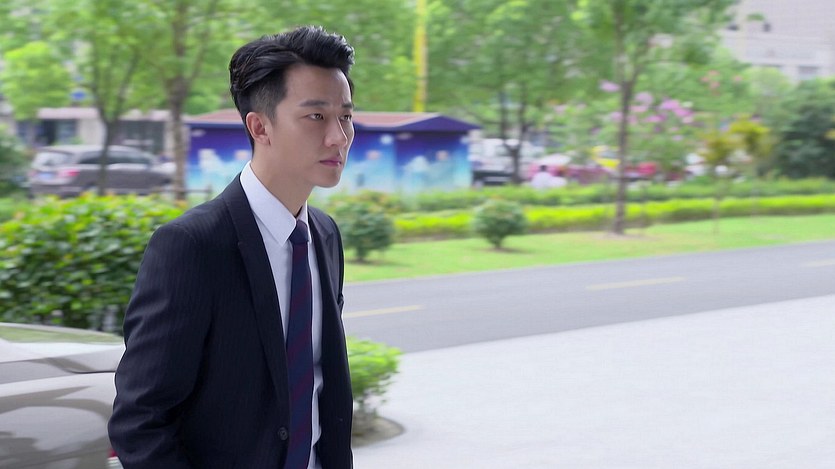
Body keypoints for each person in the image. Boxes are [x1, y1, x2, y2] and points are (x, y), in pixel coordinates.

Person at [108, 26, 355, 469]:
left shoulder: (324, 235)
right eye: (317, 116)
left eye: (346, 116)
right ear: (260, 126)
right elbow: (140, 420)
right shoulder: (192, 246)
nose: (339, 136)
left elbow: (321, 387)